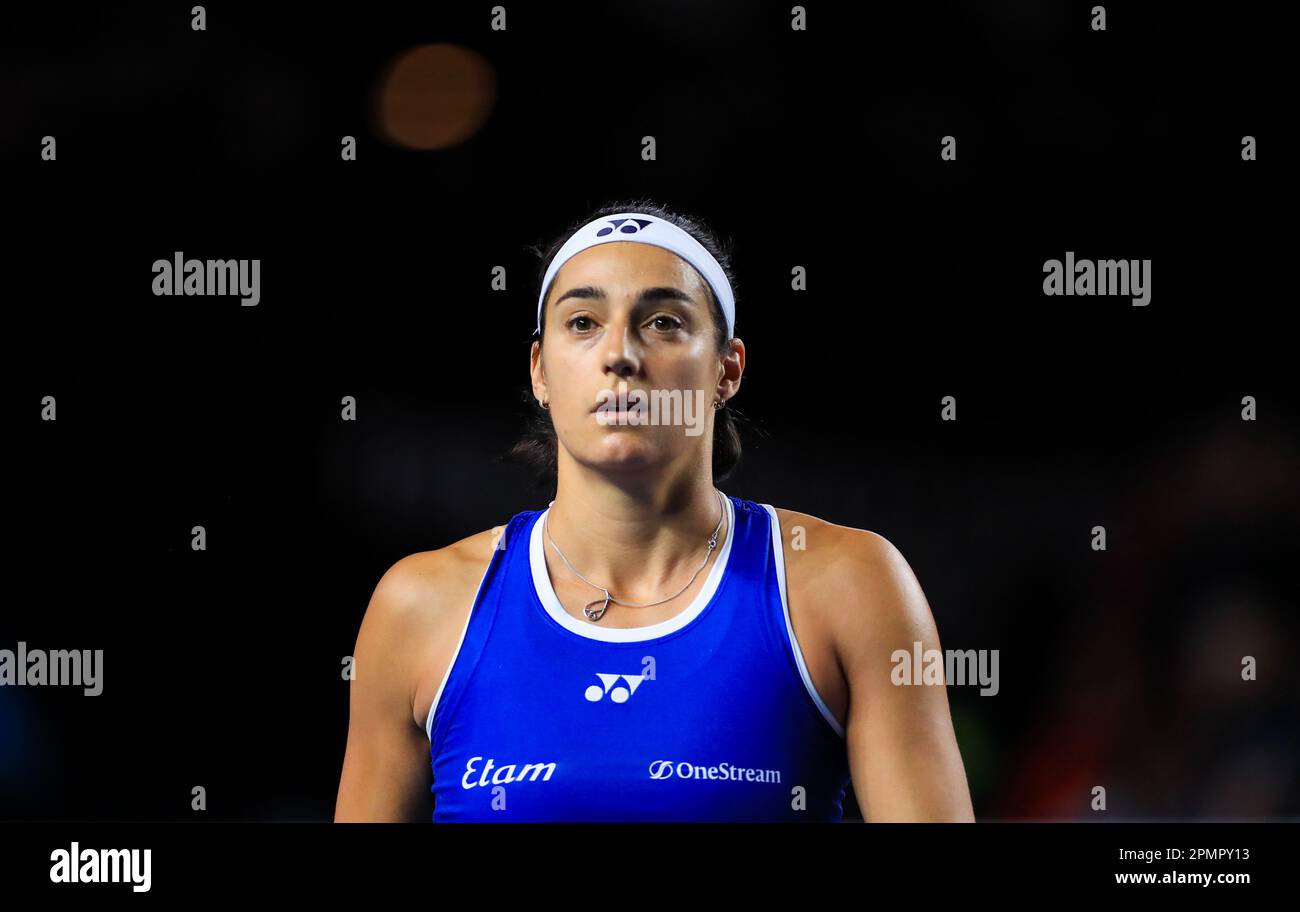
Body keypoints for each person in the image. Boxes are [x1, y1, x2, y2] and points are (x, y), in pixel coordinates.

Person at [334, 199, 975, 822]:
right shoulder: (420, 606)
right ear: (540, 372)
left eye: (663, 322)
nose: (620, 354)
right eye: (583, 322)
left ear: (728, 369)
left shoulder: (848, 584)